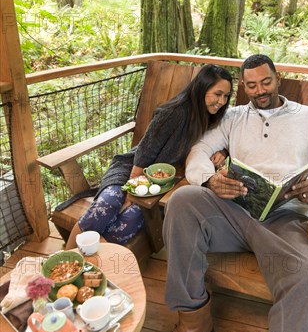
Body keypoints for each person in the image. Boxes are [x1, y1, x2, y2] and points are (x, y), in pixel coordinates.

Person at [144, 54, 308, 332]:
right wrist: (209, 179)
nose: (259, 90)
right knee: (183, 202)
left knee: (306, 274)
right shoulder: (232, 117)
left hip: (285, 219)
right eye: (251, 85)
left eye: (266, 82)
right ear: (243, 86)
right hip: (234, 209)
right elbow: (199, 150)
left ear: (278, 78)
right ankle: (193, 323)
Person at [65, 64, 233, 249]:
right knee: (107, 206)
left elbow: (220, 138)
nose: (222, 101)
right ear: (202, 88)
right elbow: (144, 153)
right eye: (217, 94)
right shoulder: (173, 114)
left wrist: (222, 152)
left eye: (226, 96)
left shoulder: (212, 117)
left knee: (127, 221)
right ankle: (65, 260)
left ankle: (87, 267)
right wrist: (131, 195)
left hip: (162, 183)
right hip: (131, 171)